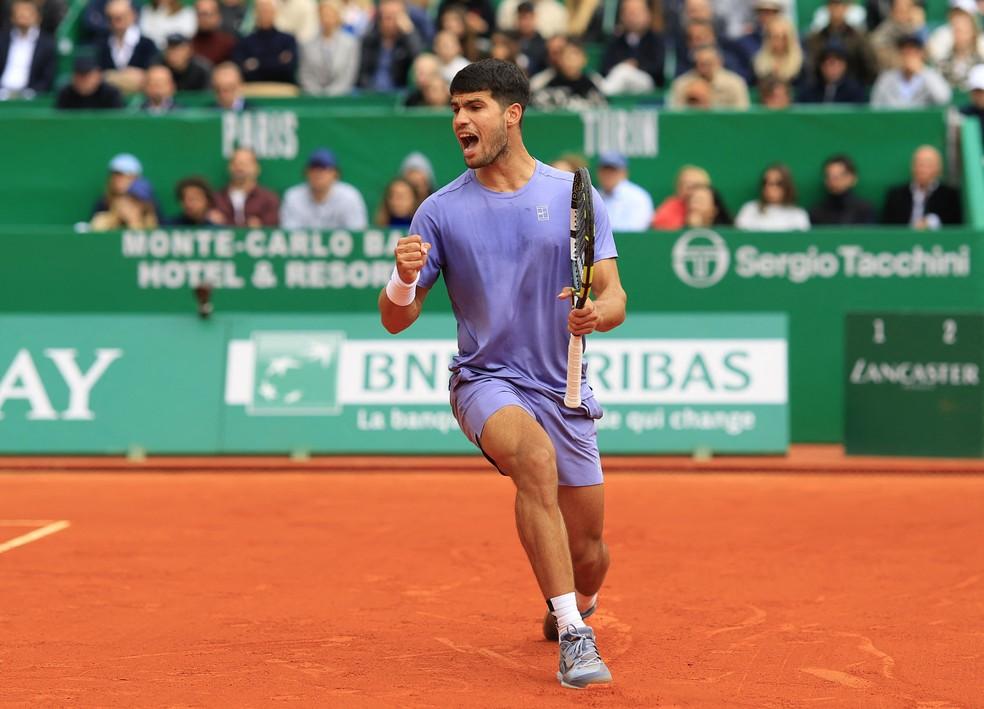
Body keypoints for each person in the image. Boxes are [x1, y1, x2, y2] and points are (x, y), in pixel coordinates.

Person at [377, 58, 623, 690]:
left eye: (475, 106)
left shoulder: (573, 195)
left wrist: (597, 313)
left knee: (590, 552)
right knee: (532, 461)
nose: (460, 119)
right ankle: (575, 633)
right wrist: (402, 277)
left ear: (512, 115)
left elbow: (616, 298)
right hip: (485, 380)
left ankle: (573, 597)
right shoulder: (437, 211)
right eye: (455, 109)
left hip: (562, 386)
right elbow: (395, 320)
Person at [280, 147, 369, 229]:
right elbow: (289, 236)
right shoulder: (293, 196)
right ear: (306, 173)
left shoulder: (349, 197)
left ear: (336, 174)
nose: (318, 174)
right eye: (314, 168)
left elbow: (358, 234)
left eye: (324, 168)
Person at [882, 145, 962, 228]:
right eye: (919, 164)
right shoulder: (896, 195)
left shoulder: (950, 196)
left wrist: (932, 222)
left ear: (939, 168)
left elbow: (955, 225)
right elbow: (886, 228)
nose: (923, 169)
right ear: (912, 167)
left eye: (928, 165)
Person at [803, 0, 878, 86]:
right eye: (833, 5)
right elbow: (811, 68)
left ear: (846, 8)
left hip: (853, 90)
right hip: (821, 89)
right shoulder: (816, 39)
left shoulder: (859, 38)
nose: (837, 9)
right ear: (828, 7)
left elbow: (870, 67)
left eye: (840, 5)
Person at [599, 0, 665, 94]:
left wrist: (635, 65)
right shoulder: (615, 41)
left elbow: (658, 68)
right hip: (618, 84)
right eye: (628, 12)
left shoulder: (656, 40)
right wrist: (624, 64)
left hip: (647, 84)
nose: (632, 17)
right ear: (621, 15)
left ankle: (601, 94)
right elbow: (605, 68)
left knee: (624, 71)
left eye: (636, 12)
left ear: (648, 14)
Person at [356, 0, 423, 90]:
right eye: (387, 17)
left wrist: (409, 31)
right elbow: (362, 74)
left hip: (398, 93)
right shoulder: (369, 40)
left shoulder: (407, 42)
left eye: (396, 18)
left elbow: (419, 58)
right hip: (370, 93)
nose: (392, 22)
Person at [870, 34, 951, 107]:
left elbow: (943, 99)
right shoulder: (886, 78)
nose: (908, 58)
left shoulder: (931, 75)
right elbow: (875, 106)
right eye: (905, 53)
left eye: (913, 53)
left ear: (921, 54)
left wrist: (921, 71)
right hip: (891, 122)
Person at [298, 0, 360, 95]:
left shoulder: (351, 43)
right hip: (313, 98)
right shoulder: (307, 44)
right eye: (323, 15)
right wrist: (318, 94)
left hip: (341, 98)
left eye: (330, 15)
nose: (326, 19)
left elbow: (348, 76)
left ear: (337, 17)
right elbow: (305, 74)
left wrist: (331, 95)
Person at [98, 0, 159, 93]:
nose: (115, 22)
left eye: (119, 18)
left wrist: (112, 77)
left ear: (132, 15)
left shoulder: (147, 44)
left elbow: (149, 75)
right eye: (110, 18)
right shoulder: (103, 44)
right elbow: (100, 76)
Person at [0, 0, 56, 99]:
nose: (23, 16)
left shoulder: (47, 44)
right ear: (12, 17)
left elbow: (48, 77)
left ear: (38, 18)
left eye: (28, 13)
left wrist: (32, 92)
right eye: (20, 13)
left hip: (31, 95)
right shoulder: (2, 39)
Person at [668, 42, 750, 109]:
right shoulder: (681, 84)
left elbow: (742, 114)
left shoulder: (735, 83)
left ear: (719, 62)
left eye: (708, 63)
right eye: (701, 64)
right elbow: (674, 114)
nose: (704, 68)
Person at [234, 0, 298, 84]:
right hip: (253, 89)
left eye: (267, 11)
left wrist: (256, 64)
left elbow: (288, 70)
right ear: (255, 13)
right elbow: (242, 71)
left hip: (282, 88)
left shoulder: (288, 40)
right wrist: (277, 61)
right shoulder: (245, 41)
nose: (264, 14)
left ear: (275, 12)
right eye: (261, 11)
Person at [213, 147, 281, 226]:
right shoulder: (217, 199)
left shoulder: (268, 199)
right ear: (229, 167)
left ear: (257, 168)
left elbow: (272, 227)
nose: (239, 167)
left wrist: (260, 227)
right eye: (235, 163)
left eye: (245, 164)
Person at [735, 163, 811, 231]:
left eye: (777, 183)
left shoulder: (798, 215)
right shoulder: (749, 209)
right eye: (766, 183)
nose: (769, 188)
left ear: (786, 186)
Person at [809, 154, 876, 225]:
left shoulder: (864, 210)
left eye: (839, 176)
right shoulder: (816, 211)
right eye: (829, 176)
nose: (833, 181)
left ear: (853, 178)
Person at [798, 43, 867, 103]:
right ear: (821, 66)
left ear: (845, 66)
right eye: (829, 64)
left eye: (838, 64)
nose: (833, 69)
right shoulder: (809, 90)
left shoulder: (855, 91)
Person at [652, 164, 711, 229]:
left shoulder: (715, 206)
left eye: (697, 186)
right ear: (679, 188)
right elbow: (661, 228)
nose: (691, 191)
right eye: (687, 185)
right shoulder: (672, 207)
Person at [55, 54, 124, 109]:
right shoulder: (65, 95)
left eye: (87, 75)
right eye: (79, 75)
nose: (83, 80)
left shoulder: (110, 94)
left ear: (98, 75)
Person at [90, 177, 159, 231]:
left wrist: (133, 223)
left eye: (138, 202)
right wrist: (114, 218)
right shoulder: (104, 219)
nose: (132, 206)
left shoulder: (149, 223)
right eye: (130, 200)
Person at [192, 0, 237, 65]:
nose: (203, 19)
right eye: (200, 14)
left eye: (207, 14)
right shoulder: (189, 45)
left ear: (218, 16)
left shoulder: (229, 44)